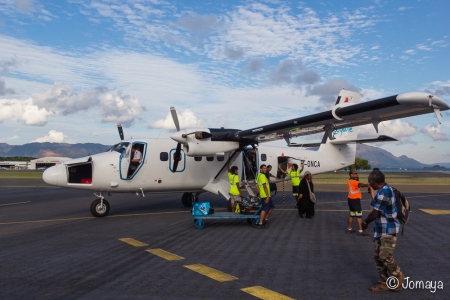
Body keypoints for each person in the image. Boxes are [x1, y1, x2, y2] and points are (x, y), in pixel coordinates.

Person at [362, 170, 405, 292]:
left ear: (373, 181)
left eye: (370, 183)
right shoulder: (381, 191)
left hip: (388, 229)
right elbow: (374, 203)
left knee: (384, 255)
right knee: (377, 258)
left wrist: (365, 223)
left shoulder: (384, 193)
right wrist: (371, 191)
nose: (369, 184)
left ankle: (398, 276)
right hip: (380, 229)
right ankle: (384, 282)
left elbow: (374, 213)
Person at [346, 170, 370, 236]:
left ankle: (349, 229)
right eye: (355, 173)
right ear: (351, 175)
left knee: (352, 215)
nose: (357, 174)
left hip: (350, 199)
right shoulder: (354, 182)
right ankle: (360, 230)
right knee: (359, 216)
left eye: (357, 173)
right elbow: (360, 184)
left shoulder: (349, 181)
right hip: (355, 200)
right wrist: (367, 185)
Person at [256, 164, 274, 229]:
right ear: (261, 169)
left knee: (271, 207)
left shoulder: (259, 176)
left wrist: (260, 192)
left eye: (266, 168)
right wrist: (267, 196)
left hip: (264, 195)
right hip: (266, 196)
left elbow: (257, 185)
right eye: (264, 168)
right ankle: (260, 223)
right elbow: (264, 186)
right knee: (264, 209)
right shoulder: (263, 176)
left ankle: (265, 220)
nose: (265, 169)